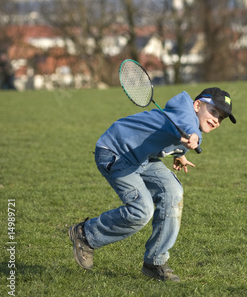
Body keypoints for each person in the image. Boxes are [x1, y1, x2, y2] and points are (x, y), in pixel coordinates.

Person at [68, 87, 236, 282]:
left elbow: (177, 133)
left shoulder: (192, 127)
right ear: (197, 105)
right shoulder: (184, 110)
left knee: (173, 191)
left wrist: (180, 155)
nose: (216, 119)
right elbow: (185, 122)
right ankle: (86, 234)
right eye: (213, 111)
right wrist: (194, 136)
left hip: (142, 159)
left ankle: (155, 262)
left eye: (221, 118)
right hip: (116, 153)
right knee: (141, 211)